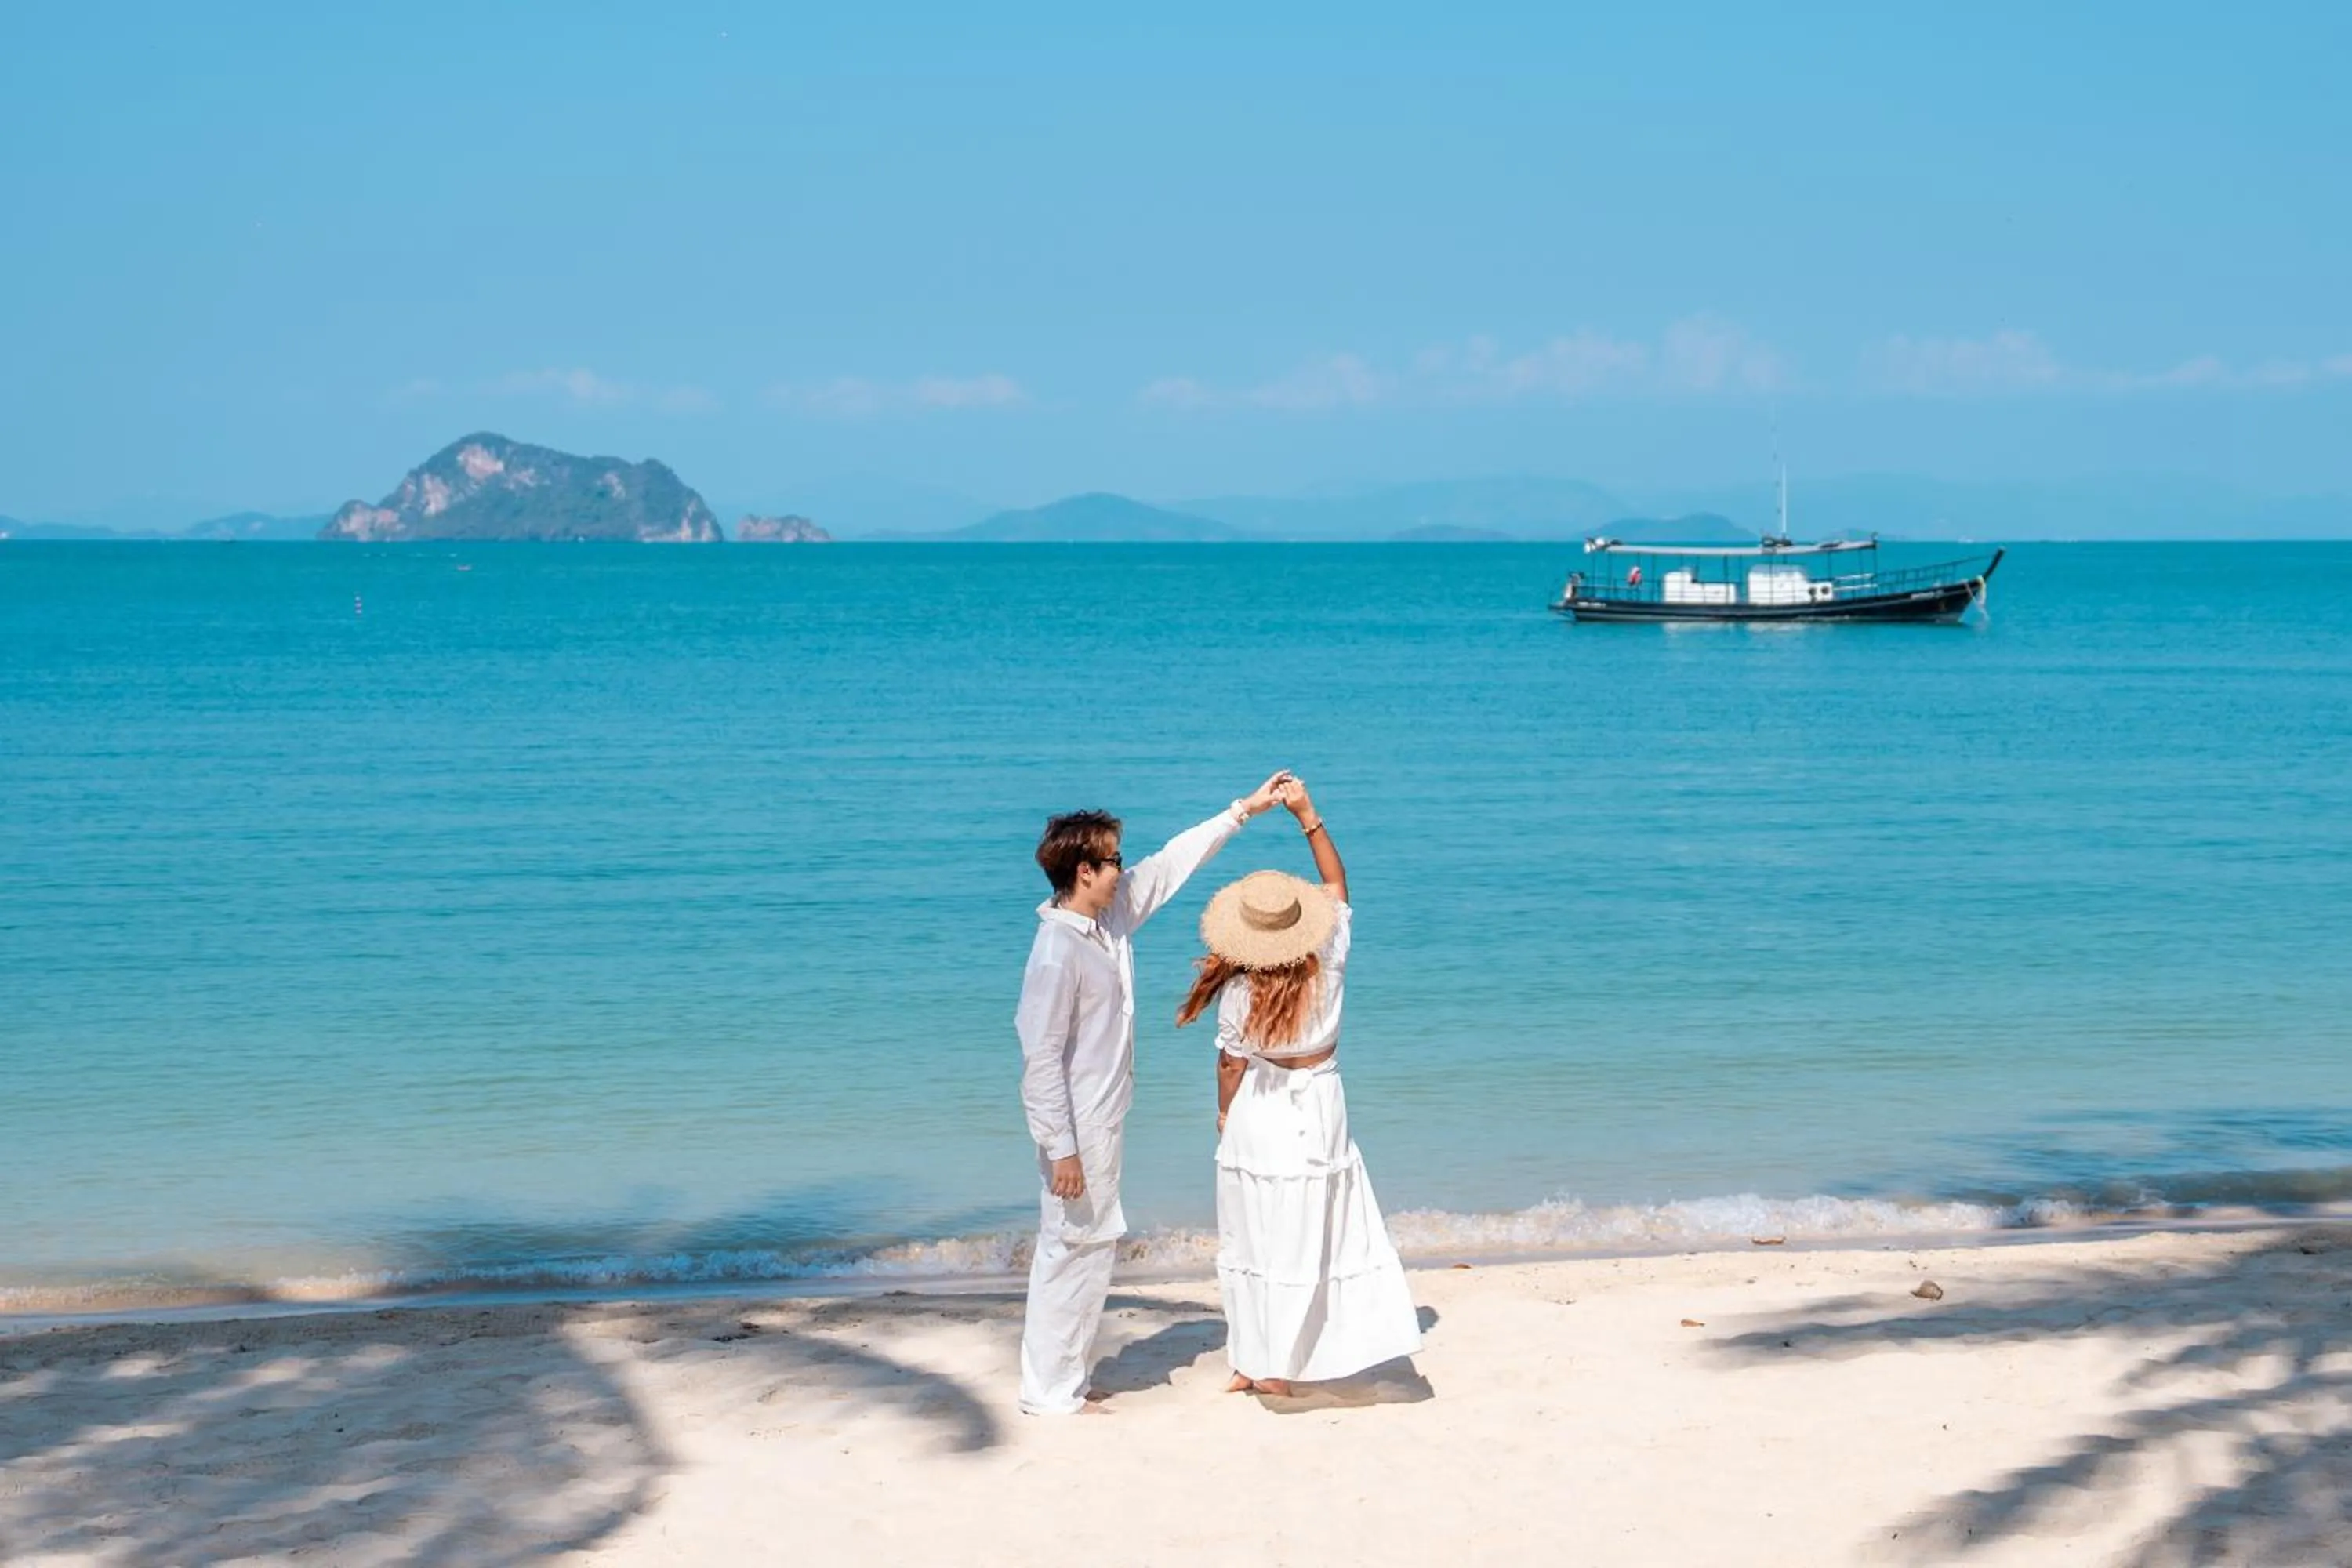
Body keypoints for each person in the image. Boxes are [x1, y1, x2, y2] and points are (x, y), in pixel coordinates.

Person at [1015, 772, 1292, 1416]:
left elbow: (1173, 864)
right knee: (1069, 1250)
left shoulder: (1107, 920)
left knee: (1092, 1247)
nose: (1122, 868)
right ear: (1084, 870)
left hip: (1104, 1117)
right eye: (1112, 860)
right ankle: (1049, 1392)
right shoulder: (1057, 951)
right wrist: (1061, 1149)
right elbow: (1039, 1059)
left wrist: (1242, 811)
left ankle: (1068, 1380)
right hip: (1077, 1128)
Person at [1177, 778, 1421, 1397]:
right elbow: (1338, 888)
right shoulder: (1330, 957)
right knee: (1307, 1232)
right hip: (1317, 1103)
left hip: (1260, 1109)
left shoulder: (1237, 991)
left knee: (1252, 1231)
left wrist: (1224, 1115)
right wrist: (1307, 815)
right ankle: (1282, 1367)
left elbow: (1231, 1066)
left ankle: (1249, 1362)